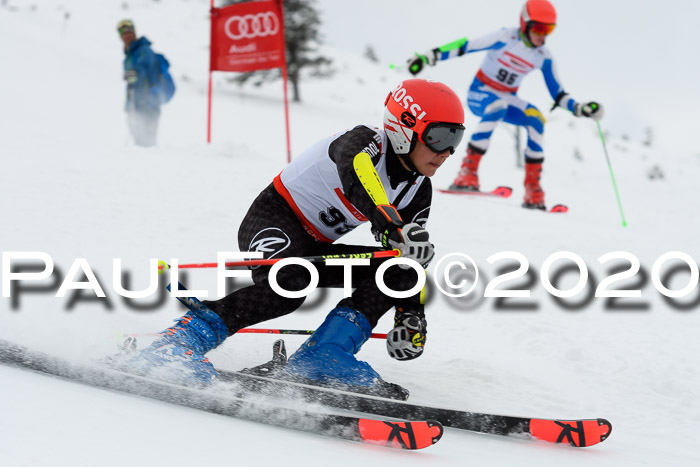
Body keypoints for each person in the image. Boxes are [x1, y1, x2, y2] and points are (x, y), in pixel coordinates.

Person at [130, 79, 466, 396]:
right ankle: (179, 342)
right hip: (273, 218)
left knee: (399, 268)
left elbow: (406, 254)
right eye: (439, 138)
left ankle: (325, 356)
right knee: (289, 284)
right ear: (405, 128)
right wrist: (392, 224)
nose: (447, 152)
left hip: (315, 247)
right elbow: (358, 178)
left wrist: (411, 313)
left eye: (455, 139)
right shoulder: (362, 143)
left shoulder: (419, 190)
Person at [407, 0, 604, 209]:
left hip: (507, 97)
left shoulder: (543, 57)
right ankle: (467, 174)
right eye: (539, 28)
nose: (543, 34)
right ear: (525, 24)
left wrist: (579, 108)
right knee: (497, 106)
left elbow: (558, 94)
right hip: (480, 93)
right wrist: (430, 55)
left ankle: (533, 190)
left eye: (549, 29)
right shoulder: (505, 37)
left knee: (537, 118)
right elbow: (466, 46)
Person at [118, 19, 163, 147]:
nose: (126, 36)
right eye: (123, 33)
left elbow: (141, 72)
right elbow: (132, 77)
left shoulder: (143, 50)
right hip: (135, 102)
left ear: (134, 32)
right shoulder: (130, 54)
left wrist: (128, 75)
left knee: (146, 141)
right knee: (139, 140)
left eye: (129, 32)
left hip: (148, 103)